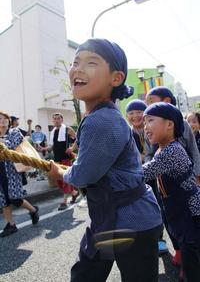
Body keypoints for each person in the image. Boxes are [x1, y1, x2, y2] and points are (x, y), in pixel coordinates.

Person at [48, 38, 162, 282]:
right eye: (75, 62)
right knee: (86, 274)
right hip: (113, 217)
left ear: (116, 78)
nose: (77, 68)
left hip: (130, 221)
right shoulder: (104, 115)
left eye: (91, 62)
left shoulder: (101, 120)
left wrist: (60, 173)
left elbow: (83, 176)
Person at [143, 102, 200, 282]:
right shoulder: (162, 149)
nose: (145, 126)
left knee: (193, 258)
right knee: (190, 257)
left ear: (169, 125)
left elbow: (141, 174)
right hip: (183, 212)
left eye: (150, 120)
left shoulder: (171, 151)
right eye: (144, 122)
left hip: (191, 214)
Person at [0, 111, 39, 237]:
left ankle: (33, 210)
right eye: (0, 118)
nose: (3, 120)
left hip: (12, 170)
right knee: (3, 200)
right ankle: (11, 224)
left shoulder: (14, 132)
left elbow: (12, 147)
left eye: (5, 118)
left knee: (15, 198)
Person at [42, 113, 79, 210]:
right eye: (54, 119)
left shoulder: (67, 129)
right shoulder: (53, 131)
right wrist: (43, 148)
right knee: (59, 181)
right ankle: (74, 193)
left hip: (66, 158)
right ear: (52, 121)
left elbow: (78, 139)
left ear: (62, 120)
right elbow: (51, 147)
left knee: (65, 179)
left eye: (58, 118)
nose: (56, 120)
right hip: (57, 160)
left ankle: (64, 202)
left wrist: (71, 148)